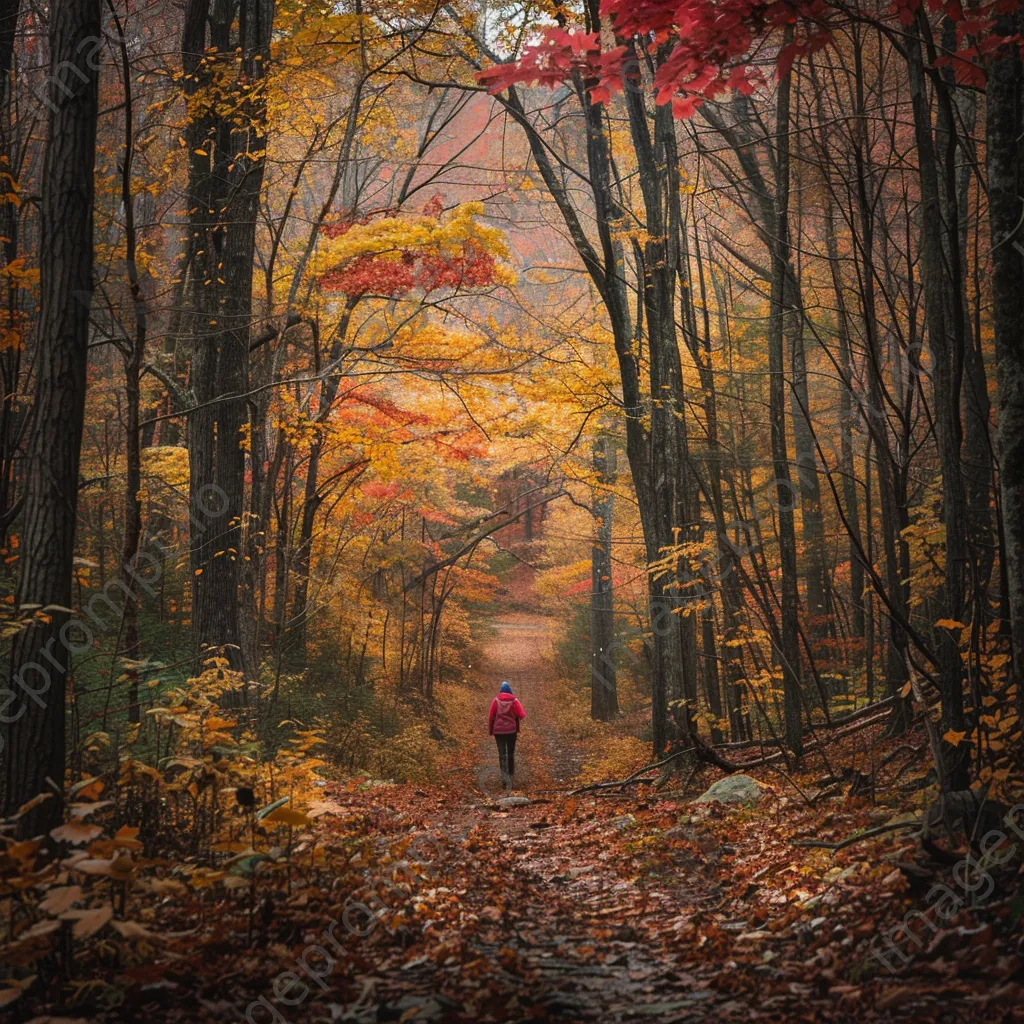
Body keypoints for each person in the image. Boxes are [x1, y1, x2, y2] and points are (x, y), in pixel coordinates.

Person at [488, 681, 525, 788]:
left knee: (502, 754)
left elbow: (491, 717)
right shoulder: (514, 701)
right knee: (510, 753)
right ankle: (511, 775)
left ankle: (504, 779)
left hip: (498, 732)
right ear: (510, 691)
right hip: (511, 731)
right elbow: (522, 714)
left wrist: (491, 730)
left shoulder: (495, 701)